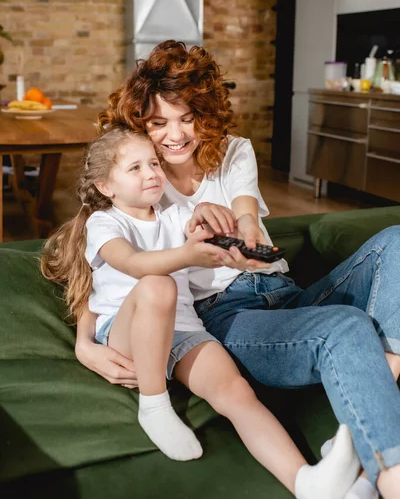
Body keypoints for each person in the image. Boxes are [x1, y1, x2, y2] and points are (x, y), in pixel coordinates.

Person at [76, 41, 400, 499]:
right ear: (140, 126)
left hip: (283, 293)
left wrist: (244, 230)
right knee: (346, 327)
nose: (175, 135)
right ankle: (387, 476)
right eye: (159, 123)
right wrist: (84, 344)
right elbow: (105, 270)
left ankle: (382, 384)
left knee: (396, 242)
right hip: (224, 315)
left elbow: (247, 212)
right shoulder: (137, 180)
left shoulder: (232, 152)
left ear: (206, 112)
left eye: (188, 117)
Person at [41, 127, 360, 499]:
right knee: (158, 284)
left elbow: (201, 234)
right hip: (129, 334)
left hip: (185, 330)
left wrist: (224, 236)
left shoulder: (175, 215)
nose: (152, 173)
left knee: (237, 393)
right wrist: (187, 255)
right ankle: (154, 404)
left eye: (154, 163)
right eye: (135, 168)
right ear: (105, 187)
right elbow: (134, 262)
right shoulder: (105, 223)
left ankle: (307, 482)